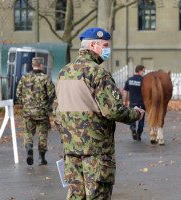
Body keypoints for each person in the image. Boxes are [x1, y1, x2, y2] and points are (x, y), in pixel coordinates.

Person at [54, 27, 145, 199]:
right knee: (97, 195)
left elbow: (57, 111)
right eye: (105, 45)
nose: (107, 49)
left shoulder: (64, 72)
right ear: (93, 45)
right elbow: (113, 111)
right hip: (96, 151)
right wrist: (136, 114)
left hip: (71, 150)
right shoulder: (98, 73)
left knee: (75, 195)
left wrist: (69, 135)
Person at [16, 57, 55, 166]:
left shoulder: (24, 78)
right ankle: (41, 159)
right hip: (42, 112)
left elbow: (18, 94)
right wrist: (47, 105)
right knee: (42, 134)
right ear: (41, 65)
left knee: (28, 132)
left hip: (28, 112)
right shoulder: (45, 78)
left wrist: (24, 104)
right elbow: (52, 94)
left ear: (32, 65)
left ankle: (29, 148)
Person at [123, 65, 146, 141]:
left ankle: (133, 128)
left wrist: (124, 102)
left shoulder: (129, 80)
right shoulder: (143, 80)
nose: (144, 72)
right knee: (141, 119)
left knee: (132, 117)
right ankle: (139, 134)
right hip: (141, 103)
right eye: (144, 71)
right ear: (141, 70)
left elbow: (125, 91)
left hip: (132, 103)